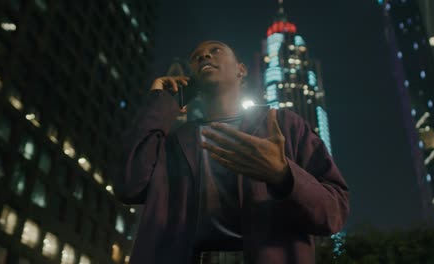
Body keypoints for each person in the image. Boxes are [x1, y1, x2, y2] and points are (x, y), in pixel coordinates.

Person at [111, 40, 350, 264]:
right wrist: (161, 102)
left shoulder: (283, 124)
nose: (204, 55)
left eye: (215, 50)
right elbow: (129, 185)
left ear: (241, 70)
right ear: (190, 78)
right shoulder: (176, 142)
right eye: (195, 57)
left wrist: (284, 175)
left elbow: (334, 212)